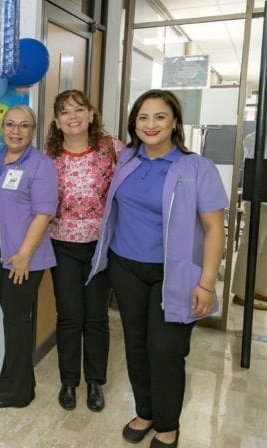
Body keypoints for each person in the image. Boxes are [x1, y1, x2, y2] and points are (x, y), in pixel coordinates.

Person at [88, 89, 226, 447]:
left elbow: (214, 229)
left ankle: (167, 424)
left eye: (160, 116)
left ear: (175, 122)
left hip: (174, 274)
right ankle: (145, 411)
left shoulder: (197, 168)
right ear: (134, 123)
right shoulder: (127, 159)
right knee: (136, 345)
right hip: (126, 267)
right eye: (143, 117)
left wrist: (207, 282)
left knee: (165, 350)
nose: (151, 124)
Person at [44, 89, 125, 412]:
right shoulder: (48, 156)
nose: (73, 116)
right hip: (62, 245)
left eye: (79, 109)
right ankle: (68, 382)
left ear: (91, 115)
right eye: (65, 112)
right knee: (68, 316)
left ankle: (95, 382)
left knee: (96, 317)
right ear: (56, 121)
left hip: (101, 247)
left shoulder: (111, 148)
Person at [0, 105, 57, 408]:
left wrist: (23, 255)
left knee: (18, 320)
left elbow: (44, 214)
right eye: (10, 124)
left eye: (24, 125)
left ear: (33, 131)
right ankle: (11, 375)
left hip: (24, 258)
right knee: (11, 317)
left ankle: (20, 391)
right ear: (2, 128)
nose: (16, 131)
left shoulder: (41, 165)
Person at [232, 131, 267, 310]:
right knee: (252, 245)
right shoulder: (255, 138)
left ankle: (259, 288)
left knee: (265, 248)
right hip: (258, 199)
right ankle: (242, 293)